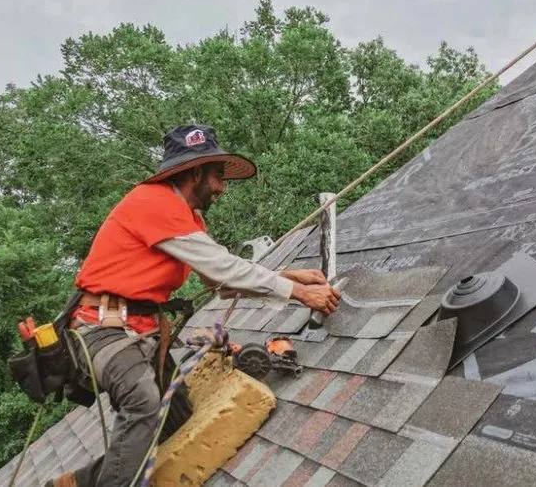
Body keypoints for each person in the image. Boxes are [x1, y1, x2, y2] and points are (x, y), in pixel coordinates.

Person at [48, 124, 341, 487]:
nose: (222, 187)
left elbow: (217, 281)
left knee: (175, 414)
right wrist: (296, 293)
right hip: (102, 328)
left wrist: (289, 276)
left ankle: (79, 483)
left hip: (137, 330)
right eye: (218, 177)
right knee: (143, 403)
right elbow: (223, 268)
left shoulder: (187, 216)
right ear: (196, 172)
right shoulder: (154, 202)